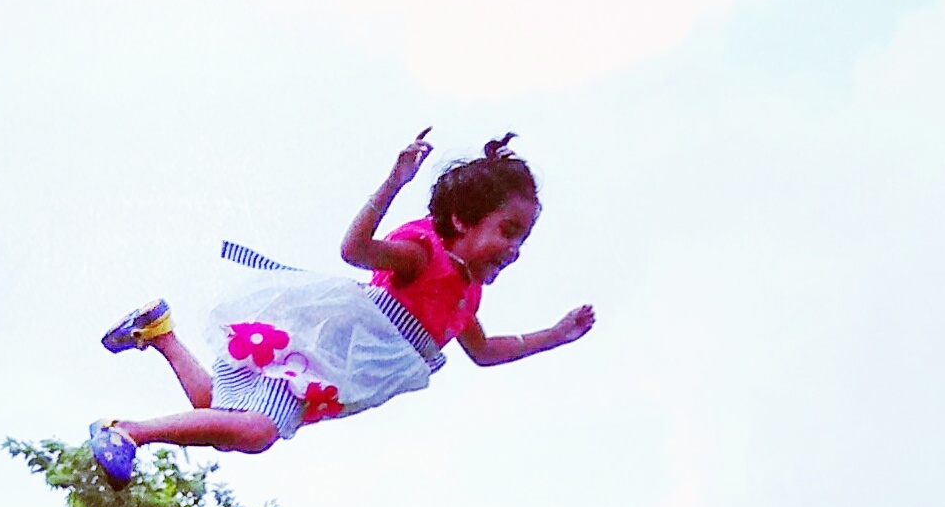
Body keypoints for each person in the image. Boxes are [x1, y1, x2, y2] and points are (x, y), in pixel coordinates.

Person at [85, 132, 595, 485]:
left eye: (522, 240)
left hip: (342, 377)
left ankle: (160, 332)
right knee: (256, 431)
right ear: (462, 220)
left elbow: (484, 352)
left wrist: (556, 334)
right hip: (327, 346)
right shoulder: (423, 258)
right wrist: (393, 183)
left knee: (218, 412)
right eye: (508, 232)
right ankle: (127, 431)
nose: (514, 250)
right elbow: (355, 250)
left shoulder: (465, 297)